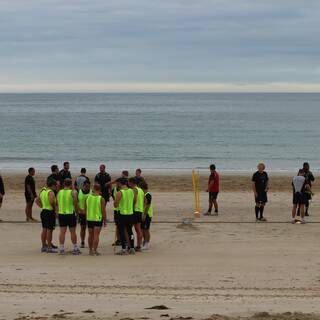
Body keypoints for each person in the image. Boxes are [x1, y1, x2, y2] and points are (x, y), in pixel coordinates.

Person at [57, 178, 80, 255]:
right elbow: (75, 204)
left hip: (61, 214)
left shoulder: (59, 192)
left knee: (62, 232)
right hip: (70, 213)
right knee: (72, 231)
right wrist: (77, 214)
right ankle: (75, 247)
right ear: (71, 184)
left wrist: (57, 213)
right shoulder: (73, 192)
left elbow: (57, 203)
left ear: (64, 184)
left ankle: (61, 248)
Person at [114, 177, 135, 255]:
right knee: (130, 231)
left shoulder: (120, 192)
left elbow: (115, 204)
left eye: (118, 183)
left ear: (120, 183)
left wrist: (116, 202)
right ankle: (132, 248)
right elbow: (133, 200)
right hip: (130, 213)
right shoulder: (131, 191)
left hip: (122, 214)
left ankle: (123, 249)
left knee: (122, 232)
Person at [36, 179, 58, 253]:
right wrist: (55, 209)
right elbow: (51, 201)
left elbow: (37, 200)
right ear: (52, 185)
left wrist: (42, 206)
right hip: (49, 212)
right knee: (49, 230)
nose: (56, 187)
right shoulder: (51, 192)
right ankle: (49, 247)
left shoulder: (43, 190)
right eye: (55, 186)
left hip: (43, 211)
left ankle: (43, 246)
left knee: (44, 229)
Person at [85, 183, 107, 256]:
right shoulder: (101, 198)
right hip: (97, 219)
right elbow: (103, 210)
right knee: (96, 235)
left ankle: (90, 250)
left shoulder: (88, 197)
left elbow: (86, 208)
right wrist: (105, 220)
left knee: (90, 235)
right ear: (100, 189)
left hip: (89, 218)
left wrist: (86, 217)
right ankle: (95, 250)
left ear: (93, 189)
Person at [129, 177, 143, 251]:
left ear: (132, 183)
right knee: (138, 229)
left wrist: (131, 207)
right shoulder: (140, 190)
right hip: (140, 210)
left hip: (135, 210)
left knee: (131, 229)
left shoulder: (134, 190)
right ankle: (139, 246)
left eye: (129, 183)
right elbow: (145, 200)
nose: (128, 184)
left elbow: (134, 200)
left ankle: (133, 245)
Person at [77, 180, 91, 248]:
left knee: (91, 228)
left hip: (90, 213)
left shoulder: (91, 192)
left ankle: (91, 242)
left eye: (88, 186)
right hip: (82, 213)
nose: (87, 187)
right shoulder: (79, 192)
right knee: (83, 228)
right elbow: (76, 203)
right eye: (86, 186)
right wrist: (80, 210)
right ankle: (82, 241)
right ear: (83, 185)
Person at [141, 183, 153, 251]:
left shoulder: (148, 195)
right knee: (142, 229)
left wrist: (144, 214)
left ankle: (146, 244)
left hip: (147, 214)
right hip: (143, 214)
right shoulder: (144, 195)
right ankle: (144, 242)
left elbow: (147, 206)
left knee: (146, 230)